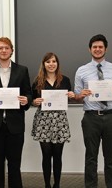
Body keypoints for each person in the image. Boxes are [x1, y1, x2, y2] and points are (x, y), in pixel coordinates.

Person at [0, 37, 32, 188]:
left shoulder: (22, 70)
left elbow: (28, 93)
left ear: (11, 50)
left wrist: (26, 100)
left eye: (6, 48)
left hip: (15, 124)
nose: (3, 50)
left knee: (15, 164)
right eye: (0, 48)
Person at [74, 34, 112, 188]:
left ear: (105, 49)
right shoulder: (81, 71)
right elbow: (76, 97)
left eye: (100, 47)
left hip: (111, 117)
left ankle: (111, 185)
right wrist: (80, 95)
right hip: (91, 118)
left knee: (110, 157)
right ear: (90, 49)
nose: (97, 49)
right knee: (91, 157)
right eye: (94, 47)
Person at [31, 52, 74, 188]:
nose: (51, 64)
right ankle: (47, 185)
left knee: (57, 155)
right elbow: (32, 100)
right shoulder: (37, 81)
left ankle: (57, 184)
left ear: (57, 64)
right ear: (44, 64)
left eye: (54, 61)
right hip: (43, 120)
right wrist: (34, 101)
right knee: (46, 155)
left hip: (59, 120)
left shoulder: (65, 80)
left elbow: (68, 97)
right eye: (48, 62)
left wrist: (72, 95)